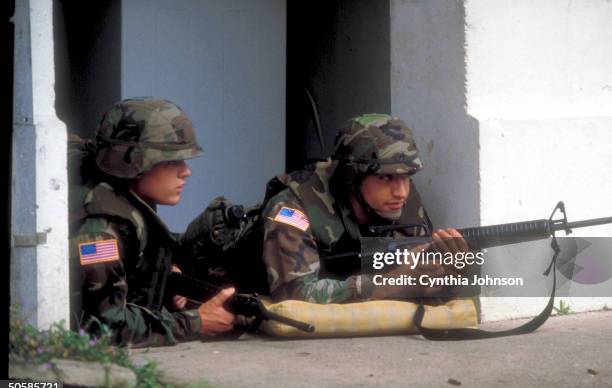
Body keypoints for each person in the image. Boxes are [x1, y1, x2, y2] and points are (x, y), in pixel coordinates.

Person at [70, 97, 235, 347]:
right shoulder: (100, 231)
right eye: (171, 161)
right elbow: (103, 328)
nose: (186, 171)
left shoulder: (124, 195)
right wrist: (194, 322)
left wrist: (163, 276)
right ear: (133, 162)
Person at [262, 114, 470, 303]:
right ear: (352, 176)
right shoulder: (293, 207)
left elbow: (417, 283)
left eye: (406, 176)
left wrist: (447, 276)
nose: (401, 192)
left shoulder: (402, 202)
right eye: (385, 177)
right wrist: (392, 282)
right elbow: (294, 295)